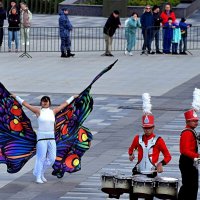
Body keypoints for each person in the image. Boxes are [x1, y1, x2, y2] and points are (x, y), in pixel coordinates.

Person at [11, 94, 77, 183]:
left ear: (49, 103)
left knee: (52, 158)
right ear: (41, 102)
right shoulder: (38, 111)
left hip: (51, 137)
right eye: (43, 101)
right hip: (42, 137)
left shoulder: (53, 111)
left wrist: (73, 97)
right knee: (40, 157)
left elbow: (65, 104)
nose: (45, 102)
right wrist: (16, 97)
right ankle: (38, 176)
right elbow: (26, 104)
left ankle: (40, 171)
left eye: (46, 101)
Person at [128, 93, 171, 200]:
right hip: (138, 171)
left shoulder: (159, 140)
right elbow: (131, 149)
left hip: (151, 172)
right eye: (145, 128)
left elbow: (168, 156)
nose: (147, 130)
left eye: (149, 128)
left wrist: (161, 163)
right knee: (133, 195)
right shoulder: (137, 138)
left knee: (148, 197)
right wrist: (131, 154)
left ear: (153, 127)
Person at [178, 88, 200, 200]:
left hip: (190, 161)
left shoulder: (191, 131)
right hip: (187, 161)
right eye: (194, 121)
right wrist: (197, 156)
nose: (197, 122)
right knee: (189, 186)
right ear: (188, 122)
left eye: (197, 120)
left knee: (192, 186)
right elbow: (184, 150)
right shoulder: (187, 133)